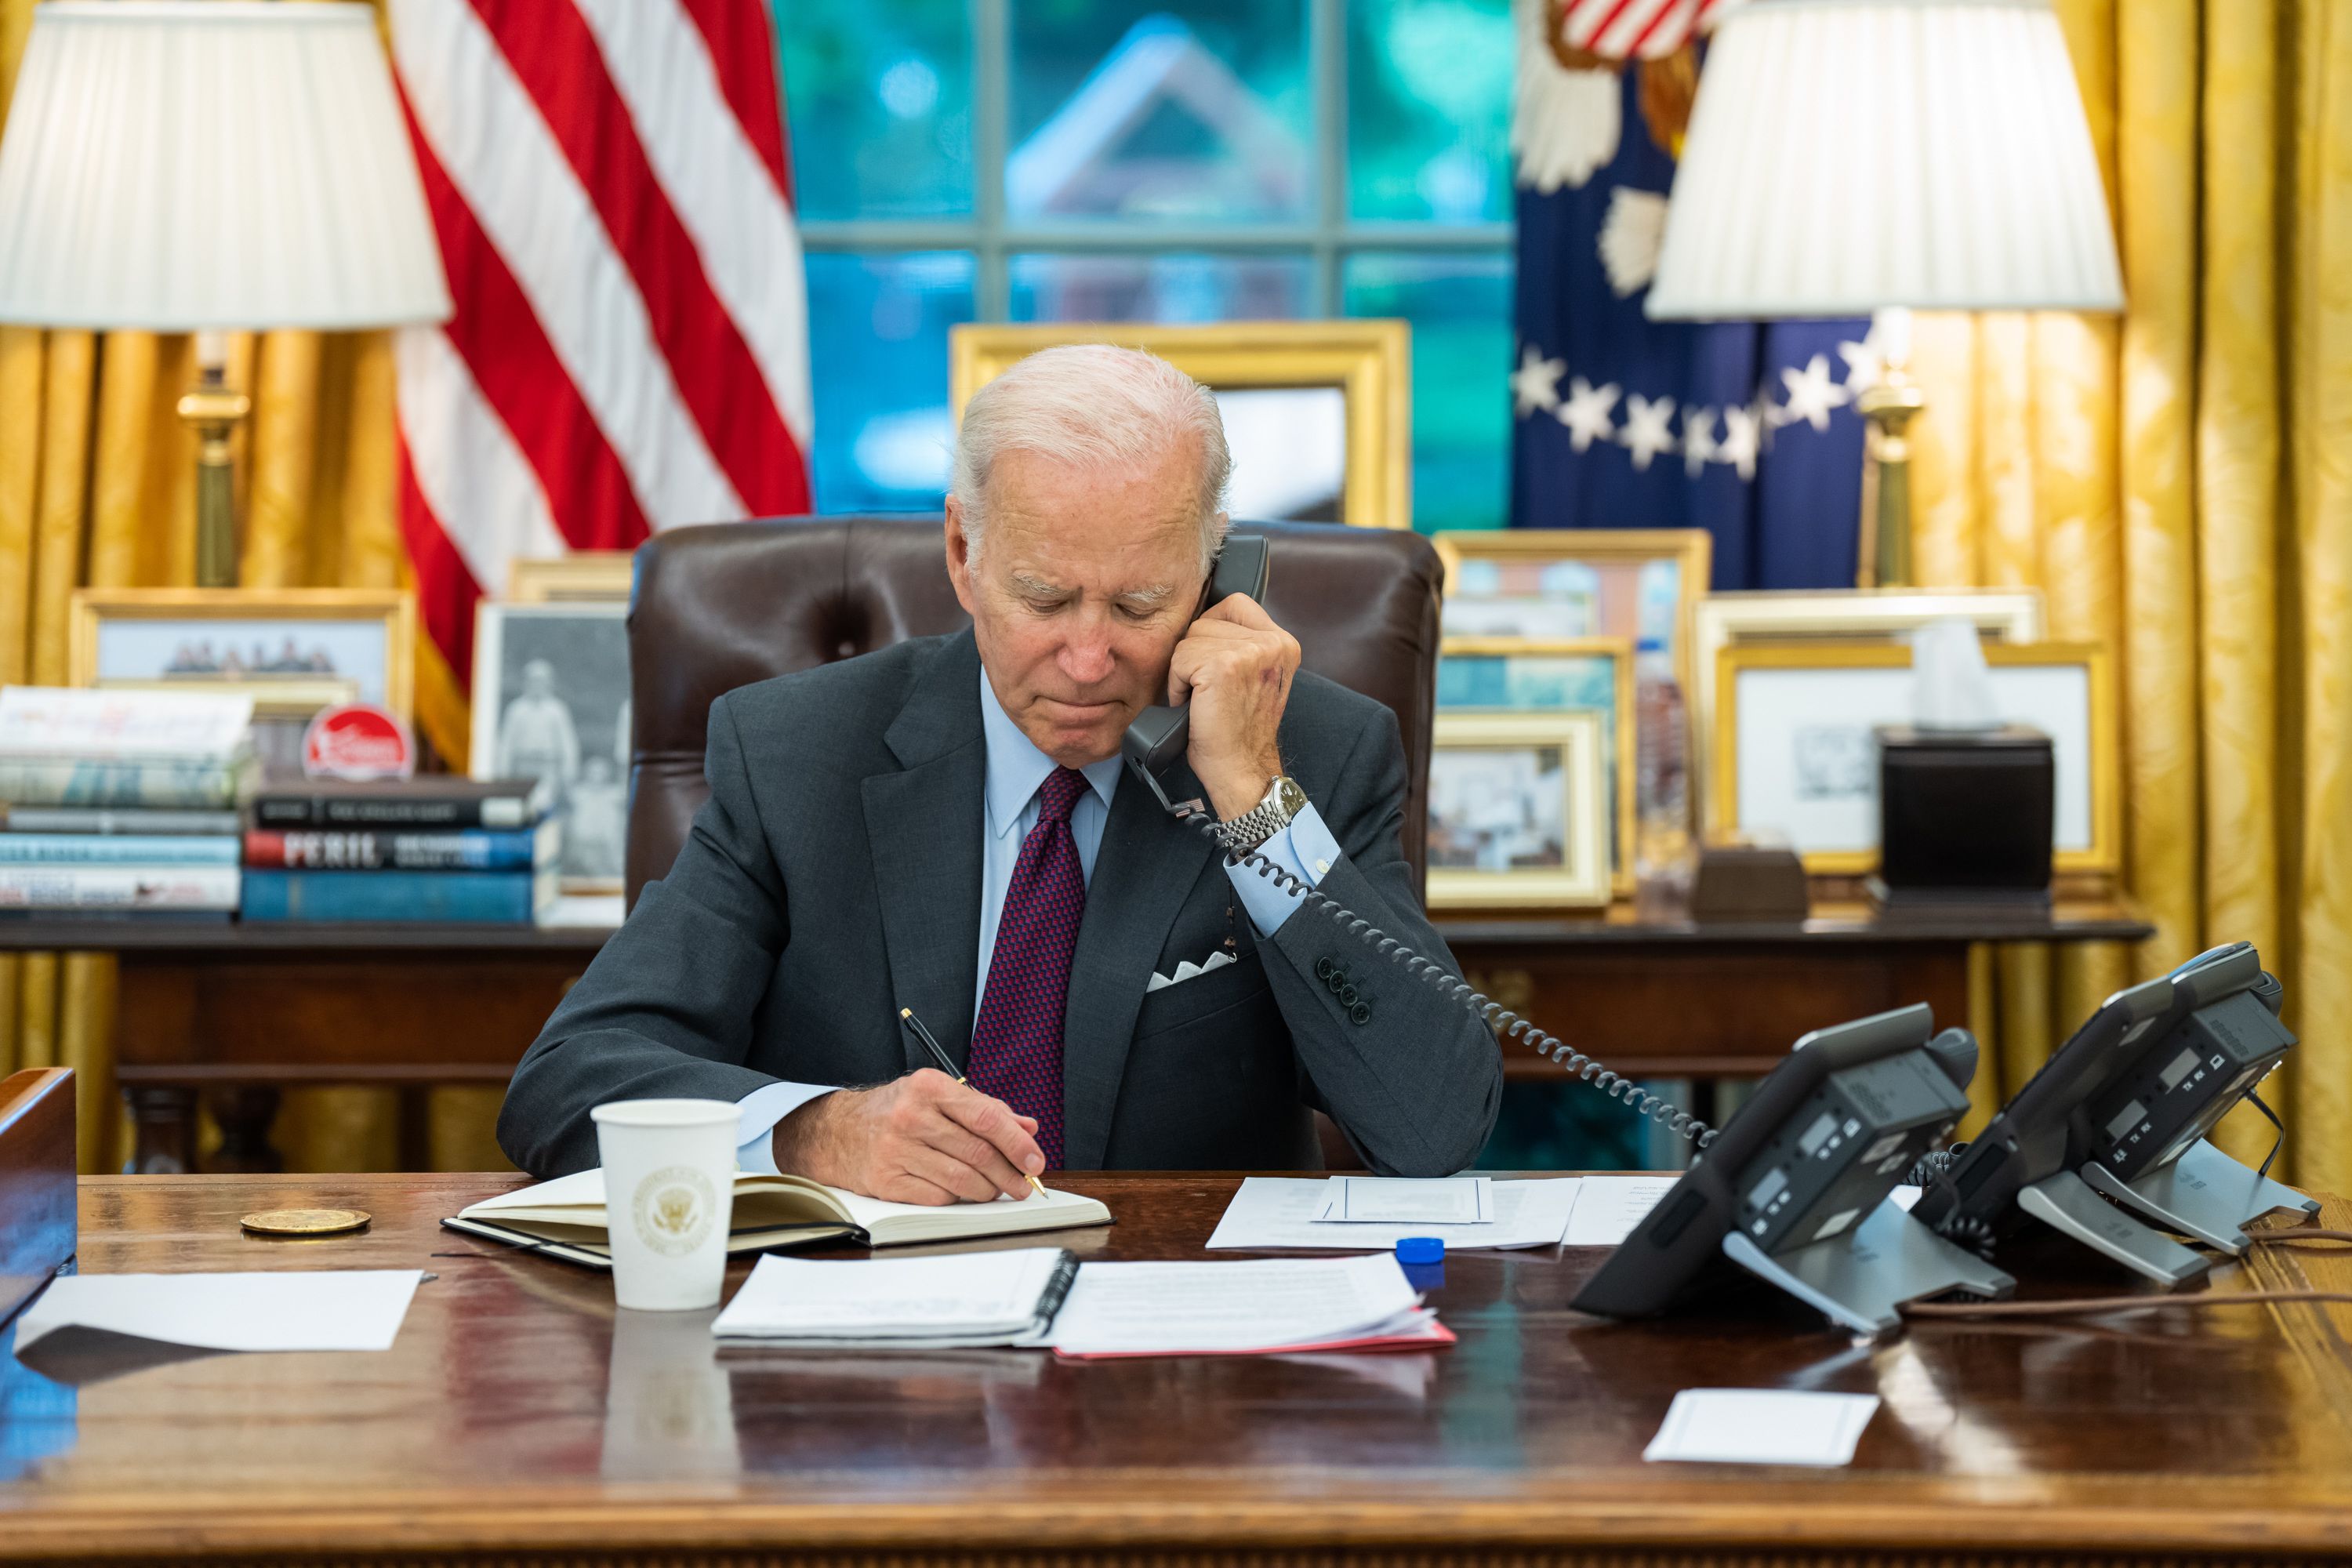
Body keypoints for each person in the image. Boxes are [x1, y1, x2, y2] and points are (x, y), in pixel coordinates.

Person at [498, 344, 1502, 1200]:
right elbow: (568, 1080)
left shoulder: (1310, 753)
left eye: (1140, 605)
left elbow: (1435, 1126)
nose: (1087, 659)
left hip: (1180, 1331)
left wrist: (1251, 800)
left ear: (1215, 578)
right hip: (872, 1330)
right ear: (962, 553)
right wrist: (811, 1133)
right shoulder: (798, 755)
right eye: (1044, 598)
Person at [495, 658, 581, 807]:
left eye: (542, 681)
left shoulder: (557, 710)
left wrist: (568, 772)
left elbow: (568, 743)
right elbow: (506, 743)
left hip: (548, 767)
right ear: (526, 682)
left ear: (550, 683)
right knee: (522, 806)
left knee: (544, 805)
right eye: (533, 681)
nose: (537, 685)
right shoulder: (516, 709)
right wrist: (503, 772)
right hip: (522, 766)